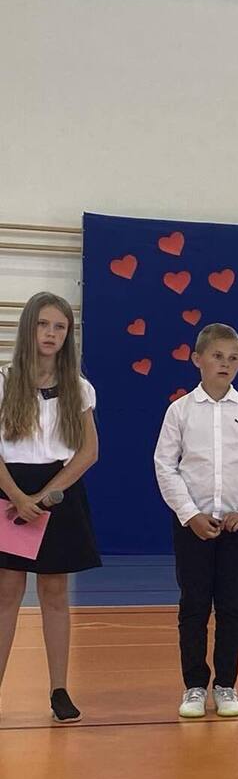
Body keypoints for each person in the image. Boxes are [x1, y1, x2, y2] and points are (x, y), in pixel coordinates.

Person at [154, 323, 238, 719]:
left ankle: (226, 685)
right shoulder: (180, 411)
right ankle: (194, 686)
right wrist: (189, 514)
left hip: (236, 528)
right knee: (193, 607)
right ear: (197, 359)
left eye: (234, 358)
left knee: (231, 608)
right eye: (217, 356)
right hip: (193, 527)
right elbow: (165, 465)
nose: (225, 364)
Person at [0, 293, 100, 723]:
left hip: (57, 491)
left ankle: (59, 689)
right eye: (44, 324)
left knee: (55, 593)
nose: (51, 333)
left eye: (60, 327)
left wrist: (44, 496)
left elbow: (88, 452)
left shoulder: (79, 388)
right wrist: (18, 497)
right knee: (6, 593)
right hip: (10, 492)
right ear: (29, 327)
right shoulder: (4, 381)